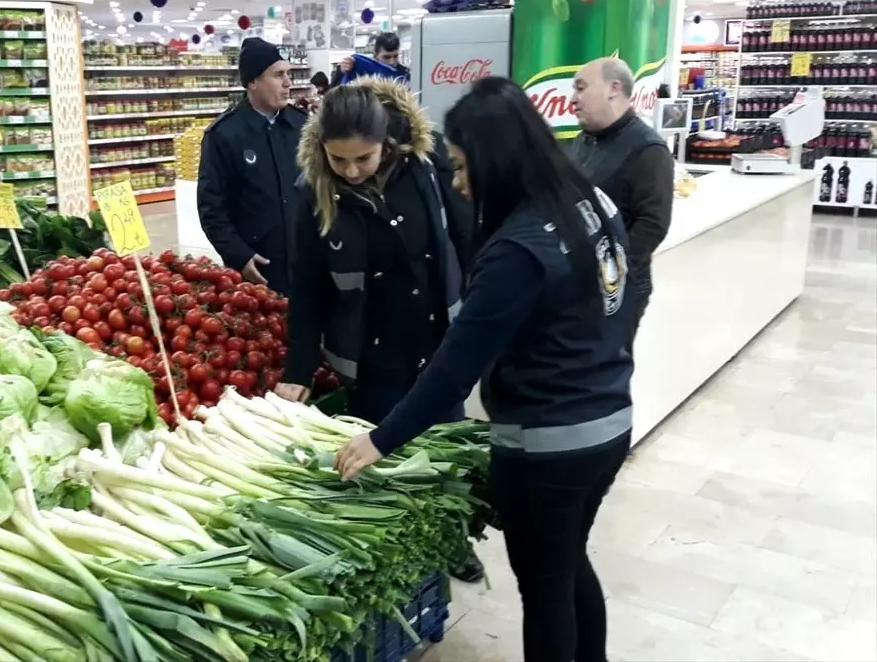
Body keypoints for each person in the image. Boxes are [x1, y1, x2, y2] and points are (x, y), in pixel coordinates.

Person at [332, 77, 636, 662]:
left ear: (500, 159)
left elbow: (453, 370)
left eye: (465, 167)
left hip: (549, 444)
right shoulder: (587, 198)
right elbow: (623, 294)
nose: (460, 184)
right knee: (570, 563)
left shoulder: (517, 248)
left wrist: (380, 438)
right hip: (609, 420)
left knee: (545, 590)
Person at [274, 78, 485, 581]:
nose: (349, 171)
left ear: (386, 140)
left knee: (444, 452)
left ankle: (455, 541)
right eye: (337, 159)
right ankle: (407, 560)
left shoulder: (427, 171)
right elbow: (306, 288)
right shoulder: (312, 194)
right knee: (384, 461)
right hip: (370, 355)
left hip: (436, 345)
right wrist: (297, 367)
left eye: (362, 159)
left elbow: (467, 238)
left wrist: (481, 315)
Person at [570, 57, 674, 350]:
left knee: (603, 373)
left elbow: (653, 225)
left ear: (614, 88)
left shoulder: (648, 150)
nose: (572, 99)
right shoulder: (583, 141)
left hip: (617, 290)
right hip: (580, 285)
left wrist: (609, 272)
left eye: (581, 88)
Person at [197, 38, 306, 294]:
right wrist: (239, 256)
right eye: (278, 75)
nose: (288, 83)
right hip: (256, 270)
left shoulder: (303, 127)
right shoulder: (224, 135)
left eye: (288, 74)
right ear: (253, 82)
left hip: (305, 263)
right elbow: (211, 208)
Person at [333, 32, 410, 86]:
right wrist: (341, 72)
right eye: (386, 57)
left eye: (395, 56)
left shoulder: (406, 74)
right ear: (375, 55)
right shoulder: (358, 65)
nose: (392, 62)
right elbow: (336, 92)